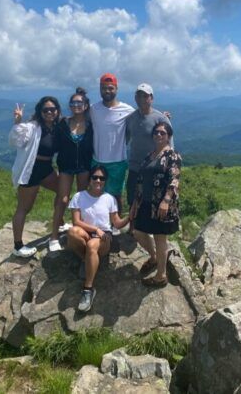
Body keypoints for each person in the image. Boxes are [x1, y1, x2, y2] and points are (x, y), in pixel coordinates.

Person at [66, 165, 131, 312]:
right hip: (88, 232)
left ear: (105, 181)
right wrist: (96, 229)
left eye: (102, 178)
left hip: (104, 238)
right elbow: (76, 222)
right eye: (95, 177)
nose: (98, 180)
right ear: (89, 179)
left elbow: (117, 223)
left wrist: (130, 217)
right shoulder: (79, 196)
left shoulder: (109, 199)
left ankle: (88, 289)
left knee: (91, 246)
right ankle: (89, 260)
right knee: (72, 232)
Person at [130, 121, 181, 287]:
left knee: (160, 238)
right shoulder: (150, 155)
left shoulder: (173, 156)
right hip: (145, 202)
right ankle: (154, 257)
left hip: (161, 205)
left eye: (163, 133)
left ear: (169, 137)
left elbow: (174, 180)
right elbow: (140, 180)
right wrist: (135, 202)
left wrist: (166, 200)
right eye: (156, 132)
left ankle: (161, 275)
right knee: (138, 232)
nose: (159, 135)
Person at [8, 96, 61, 257]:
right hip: (31, 170)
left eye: (53, 109)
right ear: (40, 112)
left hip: (46, 168)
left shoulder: (56, 127)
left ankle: (61, 223)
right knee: (24, 207)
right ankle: (18, 246)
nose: (50, 112)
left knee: (62, 192)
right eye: (46, 110)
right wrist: (18, 122)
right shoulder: (32, 127)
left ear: (57, 111)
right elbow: (15, 140)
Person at [49, 87, 94, 252]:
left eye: (79, 102)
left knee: (82, 199)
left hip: (84, 165)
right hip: (66, 165)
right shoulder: (63, 123)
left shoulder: (91, 124)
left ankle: (80, 230)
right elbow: (46, 129)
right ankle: (54, 236)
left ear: (86, 105)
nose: (76, 105)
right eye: (73, 102)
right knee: (63, 199)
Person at [89, 73, 135, 213]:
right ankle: (97, 223)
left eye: (110, 88)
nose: (107, 91)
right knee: (96, 194)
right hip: (97, 159)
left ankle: (115, 227)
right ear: (100, 89)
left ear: (116, 89)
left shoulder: (128, 110)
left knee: (115, 196)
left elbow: (142, 120)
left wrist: (163, 117)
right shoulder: (93, 109)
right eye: (104, 88)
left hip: (118, 161)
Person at [125, 83, 172, 212]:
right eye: (139, 96)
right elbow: (124, 139)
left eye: (145, 96)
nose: (141, 99)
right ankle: (133, 229)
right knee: (132, 200)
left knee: (151, 199)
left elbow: (170, 143)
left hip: (154, 167)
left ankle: (150, 229)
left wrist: (169, 165)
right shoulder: (130, 118)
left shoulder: (160, 118)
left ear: (151, 98)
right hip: (135, 166)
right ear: (135, 98)